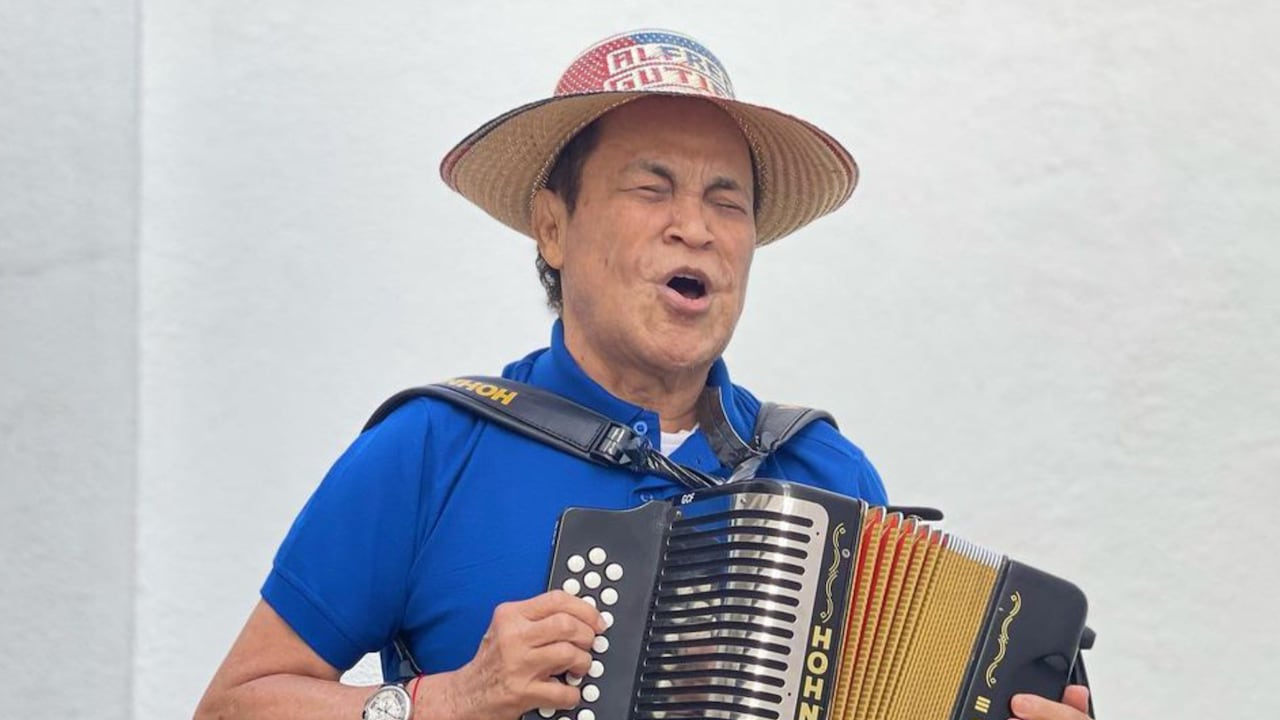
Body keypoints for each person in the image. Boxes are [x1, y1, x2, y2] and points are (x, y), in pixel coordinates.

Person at [195, 29, 1092, 720]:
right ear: (554, 228)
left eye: (725, 200)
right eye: (650, 188)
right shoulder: (433, 448)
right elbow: (232, 705)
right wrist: (446, 700)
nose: (694, 227)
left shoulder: (823, 475)